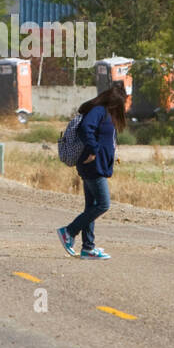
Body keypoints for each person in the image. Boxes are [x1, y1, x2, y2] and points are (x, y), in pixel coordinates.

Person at [57, 82, 127, 259]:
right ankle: (69, 231)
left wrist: (113, 154)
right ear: (114, 102)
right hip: (92, 166)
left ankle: (88, 248)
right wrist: (94, 151)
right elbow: (85, 128)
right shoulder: (99, 111)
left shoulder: (105, 112)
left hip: (96, 165)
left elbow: (107, 137)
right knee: (103, 204)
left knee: (91, 207)